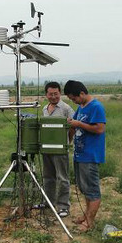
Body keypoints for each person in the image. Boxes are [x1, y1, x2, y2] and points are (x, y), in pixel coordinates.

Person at [64, 80, 106, 232]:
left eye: (74, 98)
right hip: (80, 154)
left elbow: (100, 129)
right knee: (84, 188)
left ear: (81, 93)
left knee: (92, 190)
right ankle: (86, 215)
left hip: (90, 155)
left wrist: (79, 124)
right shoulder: (81, 107)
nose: (73, 101)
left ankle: (89, 222)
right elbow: (74, 124)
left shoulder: (96, 107)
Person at [41, 82, 75, 218]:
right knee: (48, 177)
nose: (53, 96)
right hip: (47, 149)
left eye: (56, 94)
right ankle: (48, 202)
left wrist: (68, 141)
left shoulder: (66, 108)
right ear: (46, 95)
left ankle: (63, 206)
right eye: (51, 94)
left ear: (60, 93)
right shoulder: (45, 108)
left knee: (62, 178)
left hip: (60, 151)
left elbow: (73, 126)